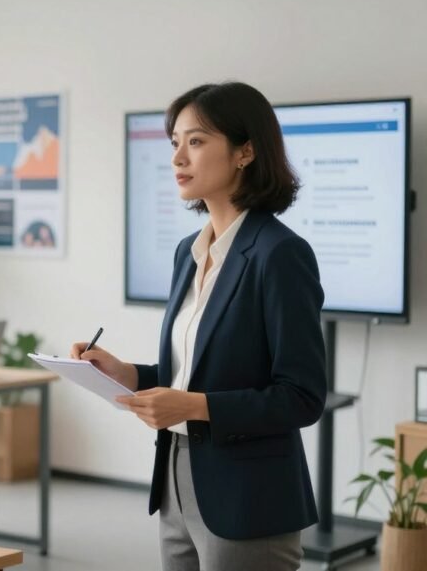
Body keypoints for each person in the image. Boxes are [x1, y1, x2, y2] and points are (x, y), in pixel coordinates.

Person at [72, 82, 326, 571]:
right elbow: (191, 372)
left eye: (196, 141)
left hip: (249, 493)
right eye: (174, 143)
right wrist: (126, 373)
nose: (177, 158)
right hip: (176, 480)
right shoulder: (189, 251)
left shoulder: (279, 254)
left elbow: (302, 395)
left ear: (245, 151)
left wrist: (195, 406)